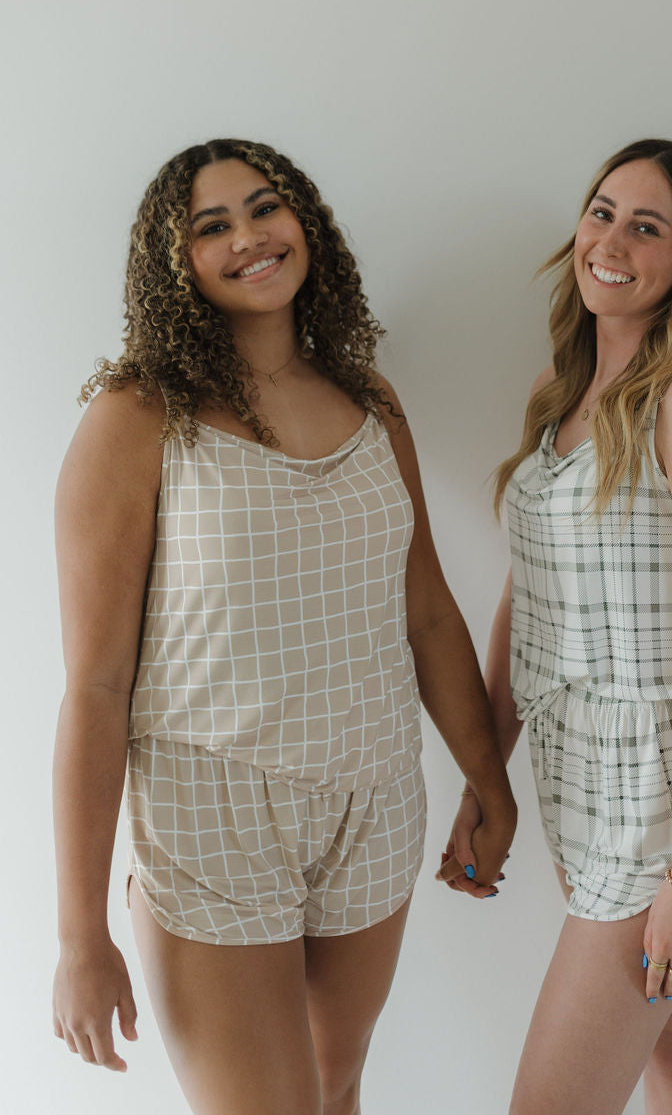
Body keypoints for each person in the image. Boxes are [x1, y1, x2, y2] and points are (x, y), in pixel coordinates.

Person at [52, 137, 516, 1115]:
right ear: (173, 262)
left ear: (305, 221)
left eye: (264, 207)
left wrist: (486, 777)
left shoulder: (370, 403)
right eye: (211, 225)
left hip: (375, 802)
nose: (249, 237)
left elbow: (426, 610)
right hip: (210, 817)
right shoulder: (137, 419)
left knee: (334, 1089)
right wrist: (79, 937)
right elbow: (94, 688)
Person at [440, 138, 672, 1115]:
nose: (611, 238)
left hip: (654, 804)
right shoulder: (564, 399)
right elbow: (529, 599)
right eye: (600, 211)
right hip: (574, 784)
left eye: (646, 224)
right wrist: (485, 777)